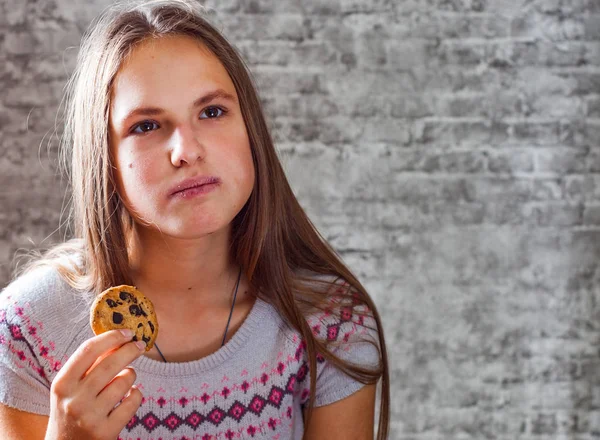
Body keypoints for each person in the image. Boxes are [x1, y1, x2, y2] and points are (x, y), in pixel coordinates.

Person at [0, 0, 390, 438]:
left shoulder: (330, 321)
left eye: (212, 112)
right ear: (104, 157)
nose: (187, 150)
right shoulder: (27, 329)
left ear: (252, 131)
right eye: (147, 126)